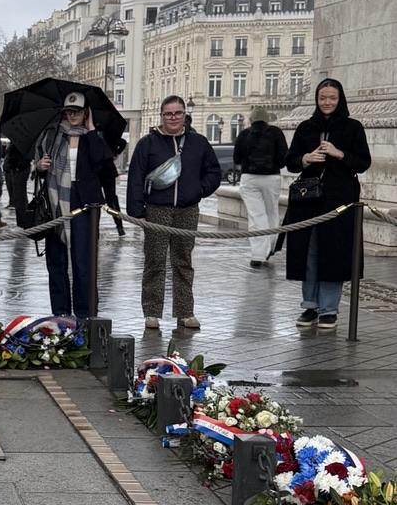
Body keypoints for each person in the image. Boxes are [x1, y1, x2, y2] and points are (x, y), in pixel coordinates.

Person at [126, 94, 222, 333]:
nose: (173, 118)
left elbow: (213, 172)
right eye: (168, 114)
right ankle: (151, 312)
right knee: (155, 261)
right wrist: (137, 210)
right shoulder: (148, 144)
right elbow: (135, 177)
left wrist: (199, 190)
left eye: (178, 113)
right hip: (157, 209)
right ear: (161, 116)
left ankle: (185, 312)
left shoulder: (198, 143)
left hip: (187, 209)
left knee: (183, 261)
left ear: (184, 115)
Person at [284, 79, 372, 333]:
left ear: (340, 99)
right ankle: (310, 305)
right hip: (308, 201)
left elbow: (363, 162)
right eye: (322, 98)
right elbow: (290, 161)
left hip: (339, 201)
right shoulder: (306, 127)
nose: (327, 102)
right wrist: (306, 158)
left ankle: (329, 309)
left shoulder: (352, 127)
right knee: (309, 253)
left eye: (332, 98)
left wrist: (338, 153)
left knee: (334, 253)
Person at [30, 92, 115, 322]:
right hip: (56, 200)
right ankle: (60, 312)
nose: (72, 115)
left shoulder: (94, 136)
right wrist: (40, 166)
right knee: (56, 261)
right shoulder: (51, 135)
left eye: (77, 111)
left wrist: (92, 130)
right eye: (68, 111)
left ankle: (85, 314)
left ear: (86, 112)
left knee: (83, 261)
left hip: (85, 202)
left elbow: (103, 165)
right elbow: (37, 166)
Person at [232, 108, 289, 268]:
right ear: (267, 119)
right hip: (271, 177)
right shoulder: (276, 133)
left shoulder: (244, 135)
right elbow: (283, 158)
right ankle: (270, 246)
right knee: (272, 212)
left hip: (249, 178)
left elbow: (237, 158)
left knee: (256, 216)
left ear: (251, 120)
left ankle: (258, 254)